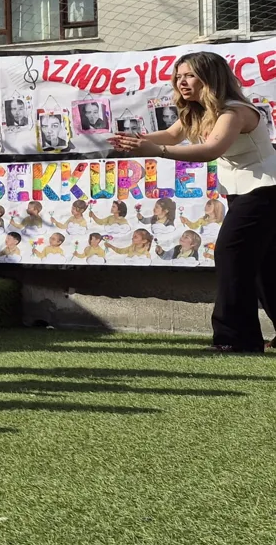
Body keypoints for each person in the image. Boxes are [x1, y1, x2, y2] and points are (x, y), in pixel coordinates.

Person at [114, 50, 276, 353]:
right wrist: (137, 141)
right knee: (264, 266)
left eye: (189, 75)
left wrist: (154, 151)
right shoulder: (196, 111)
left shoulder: (234, 112)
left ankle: (235, 339)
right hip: (246, 193)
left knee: (232, 256)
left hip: (266, 190)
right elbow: (173, 136)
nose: (182, 82)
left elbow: (209, 151)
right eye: (178, 76)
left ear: (210, 77)